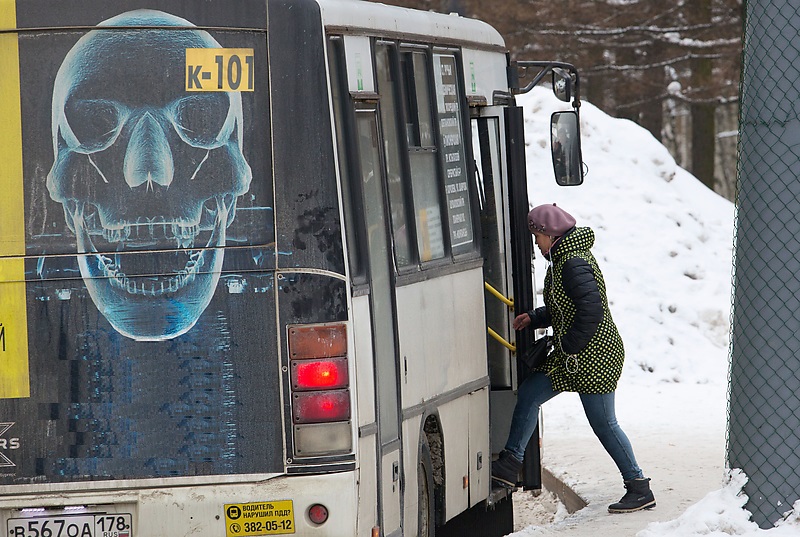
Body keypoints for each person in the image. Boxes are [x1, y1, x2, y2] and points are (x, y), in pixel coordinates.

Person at [491, 203, 656, 514]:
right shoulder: (564, 260)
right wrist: (535, 318)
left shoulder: (573, 263)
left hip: (595, 356)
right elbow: (566, 305)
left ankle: (639, 487)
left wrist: (568, 343)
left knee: (604, 424)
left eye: (536, 236)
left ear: (548, 234)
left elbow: (591, 310)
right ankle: (510, 464)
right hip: (574, 357)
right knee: (529, 393)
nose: (536, 243)